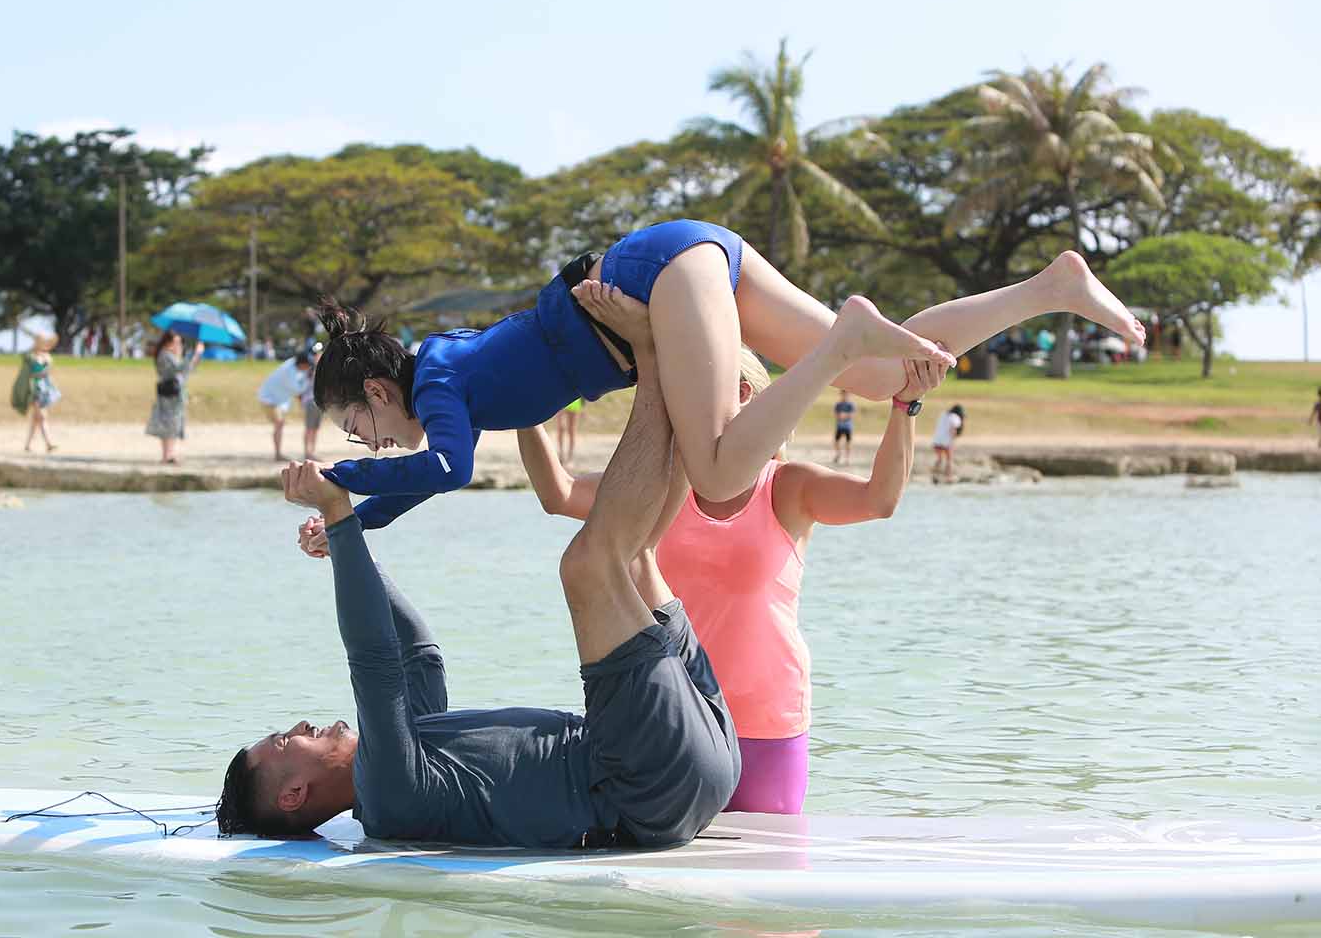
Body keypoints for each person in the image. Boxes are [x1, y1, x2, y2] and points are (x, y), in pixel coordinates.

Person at [220, 316, 744, 848]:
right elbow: (373, 659)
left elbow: (417, 654)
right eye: (287, 741)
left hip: (698, 755)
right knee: (590, 566)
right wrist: (337, 513)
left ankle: (696, 393)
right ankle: (655, 362)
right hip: (651, 781)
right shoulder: (387, 796)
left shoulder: (408, 746)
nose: (304, 726)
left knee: (636, 561)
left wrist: (346, 545)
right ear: (293, 797)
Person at [308, 219, 1145, 531]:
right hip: (682, 254)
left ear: (380, 391)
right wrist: (350, 516)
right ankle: (1052, 287)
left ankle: (839, 340)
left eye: (361, 428)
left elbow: (446, 471)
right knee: (889, 377)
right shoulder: (444, 366)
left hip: (655, 275)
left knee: (714, 474)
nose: (372, 442)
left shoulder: (440, 387)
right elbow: (421, 480)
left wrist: (337, 477)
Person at [515, 300, 944, 814]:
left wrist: (905, 409)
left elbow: (880, 499)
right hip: (675, 716)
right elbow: (559, 493)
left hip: (766, 721)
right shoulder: (658, 487)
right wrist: (523, 407)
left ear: (741, 394)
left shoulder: (787, 488)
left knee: (765, 879)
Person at [145, 330, 204, 464]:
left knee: (174, 424)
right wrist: (192, 354)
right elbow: (179, 369)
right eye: (175, 343)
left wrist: (197, 355)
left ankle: (170, 454)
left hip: (175, 394)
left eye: (179, 343)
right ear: (167, 343)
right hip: (169, 394)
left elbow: (186, 371)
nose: (178, 346)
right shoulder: (165, 355)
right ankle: (167, 456)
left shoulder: (171, 356)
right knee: (169, 424)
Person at [257, 349, 316, 461]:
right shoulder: (289, 372)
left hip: (278, 399)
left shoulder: (294, 363)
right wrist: (308, 380)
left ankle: (278, 453)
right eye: (307, 365)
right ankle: (278, 454)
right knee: (279, 423)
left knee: (279, 424)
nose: (309, 368)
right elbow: (298, 390)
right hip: (269, 399)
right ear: (302, 364)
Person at [22, 333, 61, 453]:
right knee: (42, 417)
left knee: (36, 420)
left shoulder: (46, 356)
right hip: (35, 389)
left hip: (44, 389)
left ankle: (28, 445)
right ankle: (48, 443)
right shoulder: (32, 357)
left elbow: (48, 373)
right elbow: (31, 374)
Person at [932, 404, 965, 481]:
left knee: (939, 459)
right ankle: (948, 476)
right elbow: (953, 430)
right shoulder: (956, 418)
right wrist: (952, 442)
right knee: (949, 460)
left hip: (936, 440)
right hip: (946, 441)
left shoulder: (943, 414)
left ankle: (934, 475)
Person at [554, 398, 583, 466]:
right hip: (561, 398)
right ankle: (561, 454)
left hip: (574, 399)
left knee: (571, 430)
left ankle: (570, 458)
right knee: (560, 427)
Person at [833, 389, 856, 465]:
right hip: (839, 426)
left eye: (846, 394)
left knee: (848, 443)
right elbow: (835, 414)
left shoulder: (850, 405)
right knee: (836, 442)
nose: (844, 396)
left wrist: (844, 415)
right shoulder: (838, 405)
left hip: (848, 427)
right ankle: (838, 454)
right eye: (843, 394)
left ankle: (847, 458)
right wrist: (839, 416)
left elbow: (852, 415)